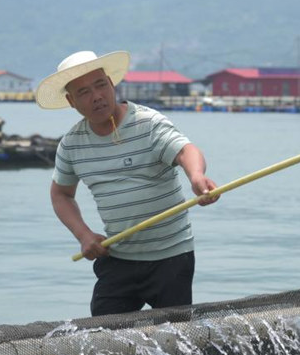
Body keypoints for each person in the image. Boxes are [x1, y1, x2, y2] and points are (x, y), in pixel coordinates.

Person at [36, 50, 218, 316]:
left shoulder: (148, 123)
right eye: (84, 92)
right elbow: (61, 194)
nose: (97, 96)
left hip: (171, 256)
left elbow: (185, 151)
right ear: (71, 101)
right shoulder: (72, 144)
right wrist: (84, 235)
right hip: (118, 257)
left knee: (174, 336)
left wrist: (196, 176)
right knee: (101, 336)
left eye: (101, 85)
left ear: (111, 84)